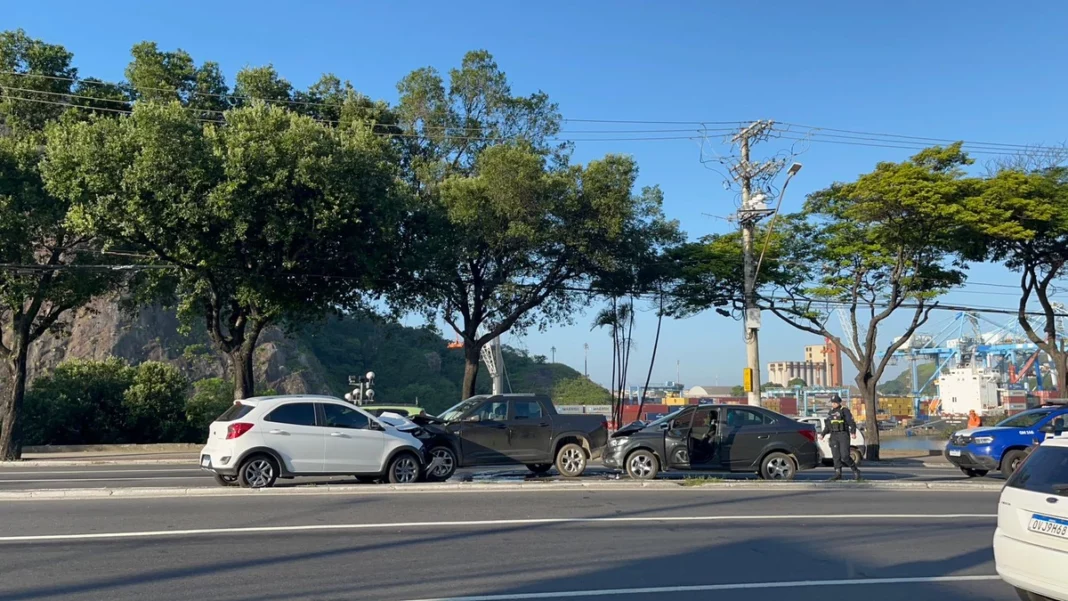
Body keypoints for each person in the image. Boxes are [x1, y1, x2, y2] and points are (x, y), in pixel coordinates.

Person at [820, 395, 861, 481]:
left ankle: (855, 470)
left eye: (835, 402)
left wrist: (853, 432)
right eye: (832, 403)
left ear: (839, 402)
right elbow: (828, 426)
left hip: (843, 435)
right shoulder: (830, 412)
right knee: (836, 456)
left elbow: (851, 422)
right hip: (834, 435)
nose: (833, 404)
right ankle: (838, 474)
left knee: (845, 456)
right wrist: (823, 434)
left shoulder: (844, 411)